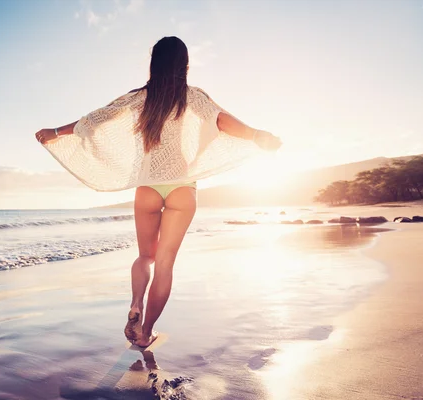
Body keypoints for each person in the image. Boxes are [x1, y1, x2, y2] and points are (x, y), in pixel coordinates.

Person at [35, 36, 282, 348]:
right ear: (185, 64)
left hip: (148, 186)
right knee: (165, 263)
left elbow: (94, 121)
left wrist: (55, 132)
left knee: (144, 256)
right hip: (182, 187)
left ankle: (136, 303)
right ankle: (146, 330)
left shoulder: (138, 98)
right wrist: (256, 135)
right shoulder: (193, 97)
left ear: (154, 62)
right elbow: (221, 120)